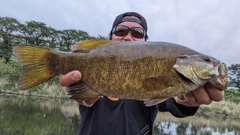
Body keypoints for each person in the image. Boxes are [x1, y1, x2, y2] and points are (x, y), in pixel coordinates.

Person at [59, 12, 224, 135]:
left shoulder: (162, 68)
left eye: (137, 33)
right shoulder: (89, 62)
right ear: (109, 37)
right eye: (121, 30)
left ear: (145, 41)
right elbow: (79, 92)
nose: (128, 37)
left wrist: (183, 99)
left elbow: (173, 102)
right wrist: (77, 92)